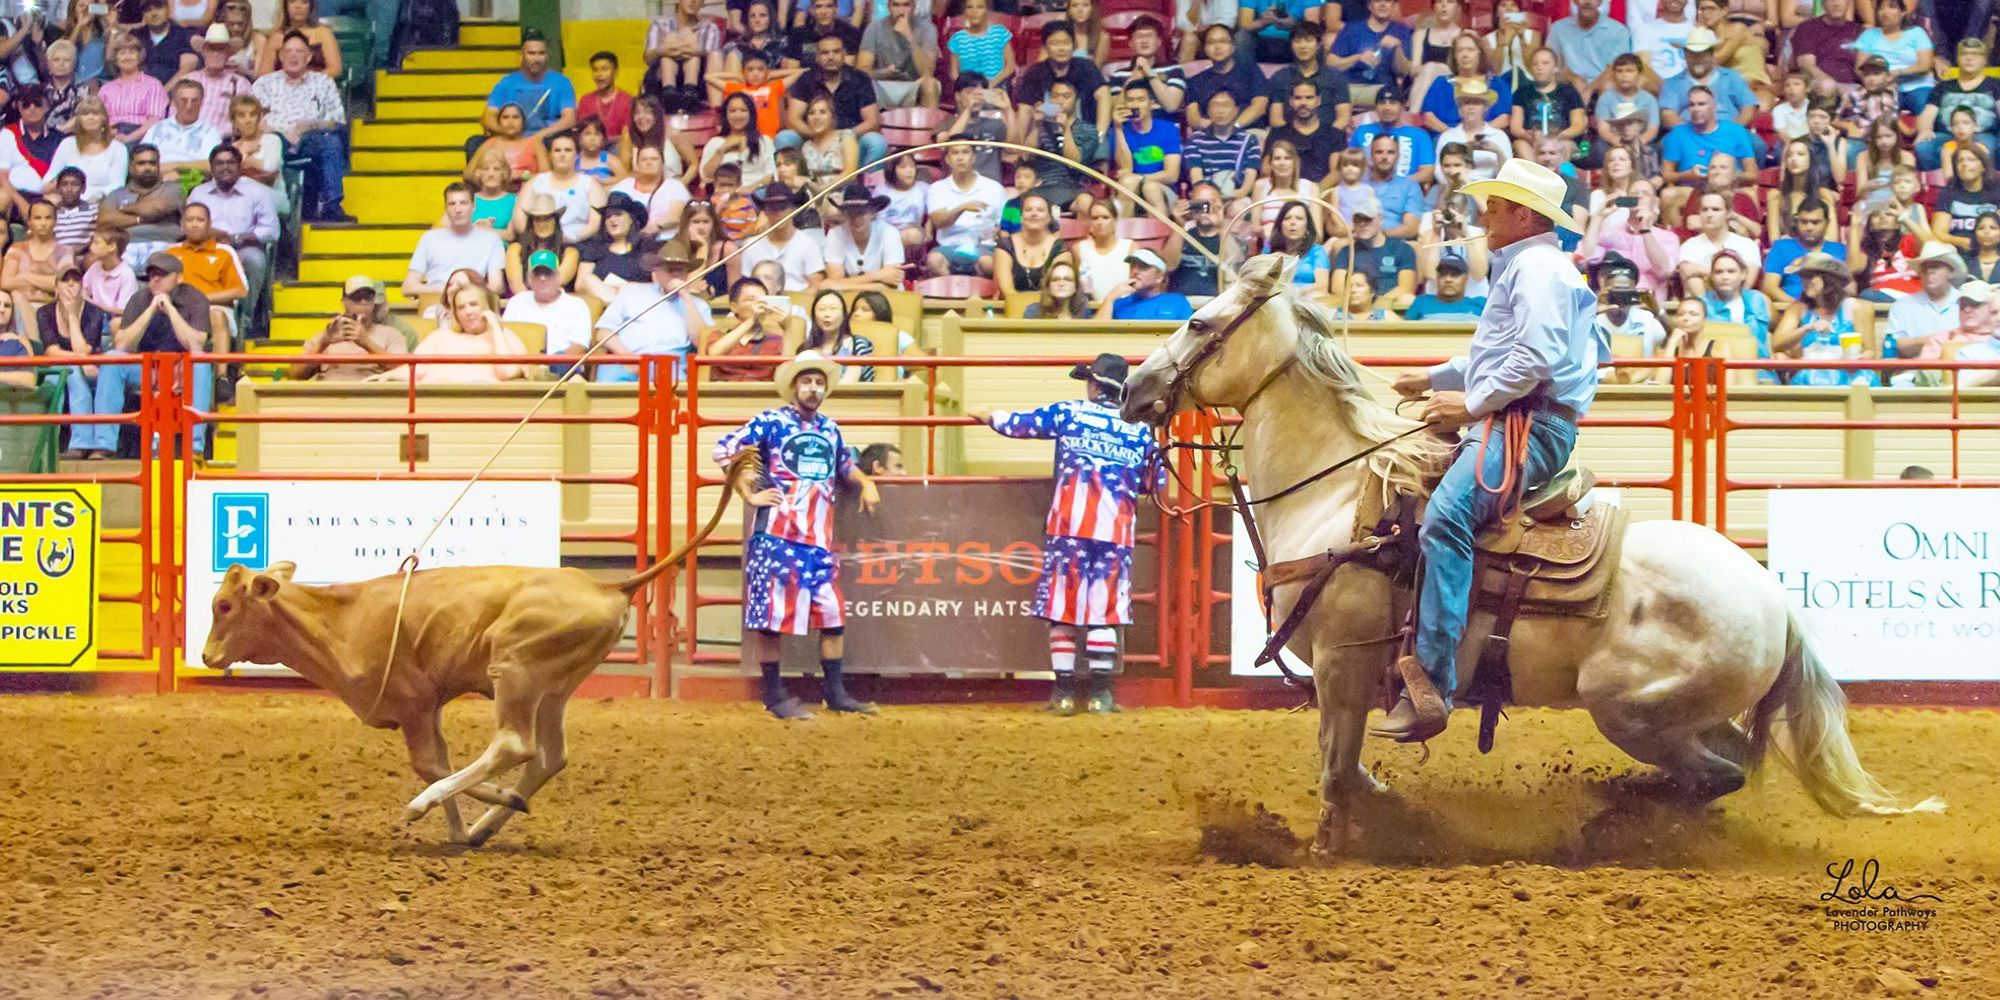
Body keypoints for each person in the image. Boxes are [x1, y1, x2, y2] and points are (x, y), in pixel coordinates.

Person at [1382, 158, 1597, 742]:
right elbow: (1502, 355)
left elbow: (1533, 362)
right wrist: (1434, 378)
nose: (1483, 214)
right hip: (1519, 419)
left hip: (1523, 426)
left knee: (1445, 519)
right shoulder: (1535, 267)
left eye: (1494, 205)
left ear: (1522, 215)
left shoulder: (1538, 270)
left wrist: (1470, 406)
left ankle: (1433, 680)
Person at [970, 353, 1157, 714]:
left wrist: (986, 414)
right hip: (1115, 531)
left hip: (1069, 527)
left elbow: (1019, 424)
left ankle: (1064, 694)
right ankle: (1101, 695)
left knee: (1063, 609)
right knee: (1104, 613)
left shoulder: (1071, 413)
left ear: (1094, 385)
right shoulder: (1140, 429)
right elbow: (1154, 481)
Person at [712, 350, 882, 719]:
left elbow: (844, 466)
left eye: (819, 382)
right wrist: (748, 493)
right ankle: (774, 695)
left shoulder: (830, 429)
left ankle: (833, 693)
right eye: (807, 381)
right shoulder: (770, 422)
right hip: (776, 536)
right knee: (772, 622)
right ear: (793, 387)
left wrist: (865, 481)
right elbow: (725, 447)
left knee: (833, 617)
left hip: (817, 542)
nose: (813, 388)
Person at [108, 253, 214, 453]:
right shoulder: (139, 299)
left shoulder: (195, 298)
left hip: (181, 366)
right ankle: (104, 444)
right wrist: (150, 310)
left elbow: (196, 345)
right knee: (111, 359)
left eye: (162, 275)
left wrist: (171, 310)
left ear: (179, 278)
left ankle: (195, 444)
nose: (155, 280)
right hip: (145, 366)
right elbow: (122, 344)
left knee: (201, 363)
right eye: (152, 275)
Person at [254, 31, 349, 222]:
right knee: (270, 143)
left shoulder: (323, 82)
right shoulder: (265, 83)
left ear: (309, 57)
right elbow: (251, 119)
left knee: (331, 141)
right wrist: (280, 132)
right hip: (274, 137)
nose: (293, 55)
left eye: (299, 51)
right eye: (288, 51)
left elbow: (337, 120)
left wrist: (311, 125)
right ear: (280, 56)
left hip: (311, 137)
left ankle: (332, 206)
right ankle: (277, 212)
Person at [596, 242, 716, 380]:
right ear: (657, 272)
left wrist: (686, 297)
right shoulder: (631, 292)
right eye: (669, 270)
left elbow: (700, 342)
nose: (675, 275)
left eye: (680, 270)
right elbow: (604, 333)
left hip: (668, 366)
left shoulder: (699, 305)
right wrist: (627, 357)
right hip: (624, 360)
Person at [187, 143, 277, 326]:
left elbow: (272, 230)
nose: (225, 167)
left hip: (241, 248)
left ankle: (244, 318)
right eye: (219, 163)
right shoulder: (199, 193)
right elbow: (188, 224)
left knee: (255, 259)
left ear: (240, 165)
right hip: (205, 247)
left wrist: (237, 237)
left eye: (231, 162)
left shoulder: (256, 192)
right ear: (211, 168)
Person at [36, 268, 114, 459]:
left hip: (90, 372)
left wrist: (72, 315)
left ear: (82, 287)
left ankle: (81, 444)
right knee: (66, 374)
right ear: (56, 287)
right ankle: (53, 447)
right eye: (65, 280)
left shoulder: (94, 312)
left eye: (75, 280)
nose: (71, 284)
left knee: (72, 373)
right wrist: (78, 361)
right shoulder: (44, 312)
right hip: (61, 369)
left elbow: (84, 350)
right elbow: (51, 351)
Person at [780, 34, 886, 171]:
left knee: (876, 142)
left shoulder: (860, 79)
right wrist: (818, 136)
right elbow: (793, 119)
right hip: (813, 138)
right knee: (785, 138)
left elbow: (871, 121)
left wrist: (843, 138)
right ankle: (791, 187)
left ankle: (868, 188)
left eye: (836, 52)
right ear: (817, 57)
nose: (831, 57)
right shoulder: (806, 79)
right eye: (825, 53)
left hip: (851, 138)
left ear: (844, 54)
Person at [1771, 251, 1876, 387]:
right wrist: (1807, 328)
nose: (1805, 282)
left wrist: (1858, 360)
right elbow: (1777, 343)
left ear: (1829, 279)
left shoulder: (1858, 308)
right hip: (1809, 375)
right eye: (1803, 277)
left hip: (1849, 375)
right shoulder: (1797, 309)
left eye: (1810, 276)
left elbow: (1870, 351)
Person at [1661, 87, 1757, 223]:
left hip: (1729, 189)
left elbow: (1752, 174)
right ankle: (1675, 238)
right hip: (1692, 188)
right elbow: (1667, 175)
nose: (1696, 109)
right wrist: (1688, 175)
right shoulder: (1678, 133)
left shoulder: (1735, 131)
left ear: (1714, 106)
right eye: (1692, 105)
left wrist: (1727, 176)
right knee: (1668, 194)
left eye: (1701, 104)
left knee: (1751, 193)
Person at [164, 201, 247, 351]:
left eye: (200, 220)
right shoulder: (171, 253)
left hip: (213, 307)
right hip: (178, 307)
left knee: (216, 315)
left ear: (209, 224)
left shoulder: (224, 252)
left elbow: (240, 290)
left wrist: (202, 299)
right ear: (182, 225)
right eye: (189, 220)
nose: (194, 225)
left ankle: (222, 374)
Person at [290, 276, 410, 381]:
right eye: (356, 297)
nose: (363, 302)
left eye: (368, 297)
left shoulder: (391, 334)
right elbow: (296, 374)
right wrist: (323, 343)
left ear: (374, 302)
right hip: (328, 396)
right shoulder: (326, 335)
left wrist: (366, 343)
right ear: (344, 301)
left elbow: (402, 370)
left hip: (372, 396)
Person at [504, 251, 597, 378]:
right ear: (529, 278)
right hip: (522, 366)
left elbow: (580, 346)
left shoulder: (576, 305)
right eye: (537, 273)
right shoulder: (517, 302)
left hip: (561, 370)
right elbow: (505, 337)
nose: (542, 278)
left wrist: (551, 364)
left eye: (548, 273)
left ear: (558, 276)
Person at [1013, 21, 1110, 144]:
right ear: (1045, 47)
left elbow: (1104, 95)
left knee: (1101, 157)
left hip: (1086, 135)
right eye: (1054, 43)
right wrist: (1020, 145)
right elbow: (1025, 110)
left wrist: (1100, 134)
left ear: (1074, 45)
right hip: (1047, 138)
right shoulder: (1034, 74)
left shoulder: (1086, 67)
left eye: (1066, 42)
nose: (1061, 48)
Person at [404, 183, 507, 298]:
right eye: (452, 204)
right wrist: (447, 290)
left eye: (463, 203)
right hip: (436, 303)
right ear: (446, 209)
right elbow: (408, 287)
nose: (458, 209)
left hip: (473, 302)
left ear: (473, 207)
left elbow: (496, 286)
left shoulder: (492, 240)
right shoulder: (429, 238)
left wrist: (464, 293)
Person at [413, 284, 528, 384]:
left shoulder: (505, 336)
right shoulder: (439, 336)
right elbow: (413, 371)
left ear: (488, 307)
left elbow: (507, 373)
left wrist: (495, 327)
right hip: (435, 399)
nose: (467, 312)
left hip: (483, 401)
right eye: (461, 307)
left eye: (473, 304)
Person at [925, 144, 1005, 278]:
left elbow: (1005, 223)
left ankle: (977, 296)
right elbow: (939, 222)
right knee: (934, 261)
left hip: (984, 248)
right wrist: (962, 208)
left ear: (973, 158)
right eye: (955, 153)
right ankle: (952, 292)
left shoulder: (994, 188)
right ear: (948, 159)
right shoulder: (937, 188)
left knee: (988, 263)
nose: (960, 158)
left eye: (965, 152)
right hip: (950, 247)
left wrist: (999, 232)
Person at [1330, 191, 1417, 310]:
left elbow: (1406, 287)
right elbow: (1338, 288)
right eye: (1358, 220)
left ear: (1380, 219)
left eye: (1367, 219)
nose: (1362, 224)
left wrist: (1380, 302)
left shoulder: (1402, 249)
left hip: (1389, 303)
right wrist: (1363, 302)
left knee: (1407, 298)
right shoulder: (1347, 251)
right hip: (1355, 303)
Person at [484, 35, 577, 145]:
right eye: (531, 53)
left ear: (547, 56)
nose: (536, 59)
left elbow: (569, 119)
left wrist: (539, 136)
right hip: (513, 139)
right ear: (522, 55)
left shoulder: (562, 82)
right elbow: (488, 117)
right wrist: (509, 133)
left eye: (541, 53)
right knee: (474, 142)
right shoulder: (507, 82)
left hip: (548, 139)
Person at [704, 276, 800, 381]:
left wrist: (787, 329)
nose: (758, 304)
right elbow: (713, 355)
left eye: (762, 300)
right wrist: (751, 321)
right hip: (724, 393)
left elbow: (789, 373)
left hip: (764, 394)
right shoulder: (718, 335)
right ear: (734, 306)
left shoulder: (777, 340)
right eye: (750, 299)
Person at [1883, 241, 1968, 355]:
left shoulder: (1967, 302)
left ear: (1951, 272)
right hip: (1915, 369)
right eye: (1925, 268)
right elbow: (1893, 346)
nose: (1929, 271)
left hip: (1962, 368)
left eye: (1935, 267)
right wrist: (1934, 340)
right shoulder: (1903, 305)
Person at [1700, 249, 1775, 375]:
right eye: (1719, 272)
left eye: (1731, 271)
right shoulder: (1702, 304)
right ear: (1711, 277)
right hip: (1717, 372)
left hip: (1760, 370)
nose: (1725, 277)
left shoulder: (1758, 299)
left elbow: (1774, 331)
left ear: (1743, 274)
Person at [1113, 81, 1181, 218]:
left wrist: (1142, 179)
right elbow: (1126, 169)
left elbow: (1172, 175)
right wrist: (1118, 128)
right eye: (1130, 100)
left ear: (1152, 104)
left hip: (1163, 189)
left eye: (1141, 100)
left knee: (1150, 187)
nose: (1135, 105)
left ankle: (1160, 234)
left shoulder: (1168, 129)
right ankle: (1123, 234)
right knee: (1127, 182)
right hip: (1132, 188)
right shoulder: (1121, 131)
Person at [1677, 189, 1762, 296]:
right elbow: (1688, 273)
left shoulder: (1747, 245)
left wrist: (1702, 270)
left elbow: (1746, 284)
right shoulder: (1689, 246)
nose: (1709, 214)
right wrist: (1732, 273)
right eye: (1704, 210)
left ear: (1728, 214)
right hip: (1702, 307)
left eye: (1715, 209)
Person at [858, 0, 941, 110]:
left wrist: (909, 37)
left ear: (914, 7)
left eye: (906, 5)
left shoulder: (928, 29)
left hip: (913, 84)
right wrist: (883, 73)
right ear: (889, 7)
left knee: (930, 84)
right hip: (882, 84)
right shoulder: (875, 27)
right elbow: (862, 70)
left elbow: (927, 72)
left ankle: (929, 126)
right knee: (861, 84)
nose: (901, 10)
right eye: (896, 5)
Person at [643, 0, 723, 113]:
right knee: (669, 46)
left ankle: (690, 93)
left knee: (693, 54)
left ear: (702, 3)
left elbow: (713, 55)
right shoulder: (660, 23)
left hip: (698, 78)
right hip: (661, 77)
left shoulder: (710, 27)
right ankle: (669, 94)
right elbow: (648, 58)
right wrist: (664, 50)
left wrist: (686, 49)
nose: (693, 1)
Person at [1185, 25, 1270, 130]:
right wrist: (1212, 128)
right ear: (1205, 49)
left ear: (1233, 46)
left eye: (1223, 41)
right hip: (1209, 134)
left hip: (1247, 131)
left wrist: (1233, 127)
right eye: (1211, 42)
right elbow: (1193, 117)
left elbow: (1260, 106)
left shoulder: (1251, 72)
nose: (1217, 47)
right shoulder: (1196, 81)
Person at [1762, 198, 1846, 305]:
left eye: (1815, 222)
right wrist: (1800, 308)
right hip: (1789, 308)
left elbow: (1849, 289)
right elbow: (1769, 287)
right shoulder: (1781, 247)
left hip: (1831, 311)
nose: (1809, 227)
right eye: (1804, 222)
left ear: (1827, 223)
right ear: (1797, 222)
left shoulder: (1840, 250)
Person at [1184, 90, 1261, 205]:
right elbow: (1197, 179)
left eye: (1226, 105)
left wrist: (1228, 197)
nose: (1220, 111)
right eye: (1215, 105)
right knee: (1201, 212)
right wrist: (1214, 200)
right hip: (1205, 196)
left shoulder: (1249, 140)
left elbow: (1247, 186)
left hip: (1236, 197)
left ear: (1236, 110)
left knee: (1238, 208)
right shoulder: (1195, 139)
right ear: (1208, 111)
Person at [1508, 47, 1586, 160]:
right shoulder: (1522, 92)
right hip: (1531, 140)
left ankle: (1554, 175)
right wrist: (1530, 136)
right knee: (1519, 144)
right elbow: (1515, 127)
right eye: (1535, 64)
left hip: (1562, 139)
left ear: (1555, 68)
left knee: (1566, 145)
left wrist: (1556, 136)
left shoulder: (1569, 91)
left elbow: (1578, 125)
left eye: (1545, 63)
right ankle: (1537, 175)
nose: (1540, 67)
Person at [47, 97, 129, 205]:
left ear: (104, 119)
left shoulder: (118, 149)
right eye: (85, 114)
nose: (90, 117)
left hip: (102, 202)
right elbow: (49, 179)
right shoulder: (67, 144)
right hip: (68, 201)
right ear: (78, 119)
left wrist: (96, 197)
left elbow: (118, 185)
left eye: (95, 114)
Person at [1349, 87, 1436, 186]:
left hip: (1404, 192)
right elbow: (1349, 164)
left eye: (1393, 103)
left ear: (1402, 107)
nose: (1387, 108)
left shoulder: (1419, 135)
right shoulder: (1361, 131)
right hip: (1367, 191)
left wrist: (1397, 186)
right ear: (1375, 108)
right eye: (1382, 103)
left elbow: (1427, 172)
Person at [1593, 252, 1668, 364]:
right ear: (1605, 290)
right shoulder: (1594, 320)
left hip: (1638, 378)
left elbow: (1672, 340)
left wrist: (1658, 311)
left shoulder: (1646, 319)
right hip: (1602, 379)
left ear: (1634, 290)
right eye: (1616, 290)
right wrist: (1592, 311)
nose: (1621, 295)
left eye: (1626, 290)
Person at [1329, 0, 1412, 100]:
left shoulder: (1401, 31)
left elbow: (1403, 72)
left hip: (1386, 92)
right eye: (1377, 1)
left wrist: (1398, 48)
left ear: (1393, 6)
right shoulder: (1352, 29)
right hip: (1353, 88)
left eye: (1388, 1)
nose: (1383, 4)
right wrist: (1357, 58)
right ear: (1369, 6)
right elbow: (1330, 63)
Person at [1265, 79, 1342, 184]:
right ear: (1291, 101)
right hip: (1285, 192)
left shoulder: (1334, 134)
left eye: (1309, 97)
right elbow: (1266, 169)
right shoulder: (1277, 134)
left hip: (1320, 195)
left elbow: (1336, 172)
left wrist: (1313, 192)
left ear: (1318, 100)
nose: (1303, 103)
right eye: (1298, 98)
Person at [145, 79, 223, 183]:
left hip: (190, 180)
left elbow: (212, 164)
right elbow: (141, 158)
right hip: (154, 178)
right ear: (174, 102)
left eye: (194, 101)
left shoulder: (210, 132)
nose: (189, 106)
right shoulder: (157, 128)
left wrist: (176, 166)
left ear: (201, 102)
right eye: (183, 100)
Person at [1546, 0, 1629, 96]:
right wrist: (1572, 78)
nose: (1587, 2)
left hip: (1603, 89)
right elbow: (1552, 64)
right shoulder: (1558, 28)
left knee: (1609, 86)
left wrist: (1590, 88)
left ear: (1600, 2)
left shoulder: (1618, 30)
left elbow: (1617, 67)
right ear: (1574, 1)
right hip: (1570, 87)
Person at [575, 194, 647, 303]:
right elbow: (581, 283)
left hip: (637, 302)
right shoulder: (594, 248)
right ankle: (618, 305)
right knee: (588, 278)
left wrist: (625, 287)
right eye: (608, 216)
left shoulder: (644, 248)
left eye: (618, 214)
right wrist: (610, 290)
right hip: (601, 306)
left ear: (631, 219)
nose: (612, 219)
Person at [1434, 82, 1513, 182]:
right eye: (1466, 103)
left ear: (1485, 108)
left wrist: (1497, 151)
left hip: (1490, 189)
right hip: (1455, 188)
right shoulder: (1448, 137)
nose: (1471, 107)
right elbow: (1438, 171)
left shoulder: (1499, 136)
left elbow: (1508, 176)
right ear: (1459, 109)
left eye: (1476, 103)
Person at [702, 92, 779, 192]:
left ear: (751, 114)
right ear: (726, 115)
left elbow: (771, 175)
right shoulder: (715, 142)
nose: (738, 115)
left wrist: (748, 190)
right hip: (726, 193)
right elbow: (706, 176)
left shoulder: (764, 141)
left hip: (758, 193)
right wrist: (721, 150)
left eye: (743, 110)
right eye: (733, 111)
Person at [1932, 145, 2000, 252]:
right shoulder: (1948, 192)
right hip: (1955, 251)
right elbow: (1939, 232)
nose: (1964, 164)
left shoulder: (1996, 191)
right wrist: (1962, 241)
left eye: (1971, 160)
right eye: (1960, 161)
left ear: (1983, 167)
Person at [1163, 186, 1226, 298]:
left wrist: (1221, 224)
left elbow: (1236, 266)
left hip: (1217, 302)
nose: (1206, 208)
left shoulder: (1228, 236)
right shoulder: (1182, 234)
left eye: (1211, 202)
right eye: (1200, 203)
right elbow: (1167, 266)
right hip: (1182, 302)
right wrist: (1180, 225)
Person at [1790, 0, 1862, 94]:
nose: (1836, 4)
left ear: (1848, 3)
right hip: (1818, 82)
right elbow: (1806, 65)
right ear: (1823, 4)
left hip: (1852, 85)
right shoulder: (1808, 28)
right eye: (1831, 0)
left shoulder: (1857, 30)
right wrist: (1835, 86)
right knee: (1827, 86)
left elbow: (1862, 67)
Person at [1098, 249, 1192, 321]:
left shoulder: (1177, 301)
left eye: (1143, 267)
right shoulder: (1120, 303)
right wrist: (1110, 299)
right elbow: (1096, 336)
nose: (1135, 271)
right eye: (1133, 266)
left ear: (1159, 277)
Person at [253, 0, 338, 78]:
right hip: (283, 89)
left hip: (316, 85)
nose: (298, 6)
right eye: (292, 1)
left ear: (310, 7)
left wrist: (308, 81)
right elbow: (264, 74)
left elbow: (335, 69)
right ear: (286, 7)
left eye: (304, 2)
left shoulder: (323, 33)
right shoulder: (276, 37)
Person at [1365, 134, 1425, 240]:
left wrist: (1377, 235)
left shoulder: (1410, 187)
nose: (1384, 157)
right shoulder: (1359, 185)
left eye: (1390, 152)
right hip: (1359, 243)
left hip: (1394, 244)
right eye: (1379, 152)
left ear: (1398, 156)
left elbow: (1410, 229)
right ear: (1370, 155)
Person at [945, 0, 1015, 89]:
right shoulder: (957, 38)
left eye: (980, 7)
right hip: (969, 89)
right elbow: (954, 73)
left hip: (996, 86)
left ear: (988, 10)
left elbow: (1010, 66)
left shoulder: (1000, 33)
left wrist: (992, 83)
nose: (974, 11)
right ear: (964, 11)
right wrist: (967, 87)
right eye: (970, 7)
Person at [1267, 199, 1333, 290]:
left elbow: (1321, 286)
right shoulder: (1269, 249)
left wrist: (1292, 293)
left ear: (1307, 226)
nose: (1293, 222)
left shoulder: (1317, 251)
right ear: (1280, 224)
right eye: (1287, 218)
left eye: (1299, 218)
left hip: (1307, 299)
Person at [1404, 254, 1485, 320]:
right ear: (1437, 278)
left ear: (1466, 278)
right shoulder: (1421, 302)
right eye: (1443, 274)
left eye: (1454, 275)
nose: (1448, 279)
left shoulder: (1481, 304)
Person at [580, 51, 635, 144]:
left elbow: (628, 135)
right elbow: (582, 133)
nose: (599, 74)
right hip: (592, 148)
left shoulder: (627, 100)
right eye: (595, 70)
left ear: (615, 72)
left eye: (604, 69)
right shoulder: (586, 100)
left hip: (619, 147)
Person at [1025, 255, 1090, 318]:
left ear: (1076, 287)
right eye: (1055, 279)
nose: (1061, 284)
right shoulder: (1033, 312)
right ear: (1048, 286)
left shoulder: (1083, 313)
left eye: (1068, 279)